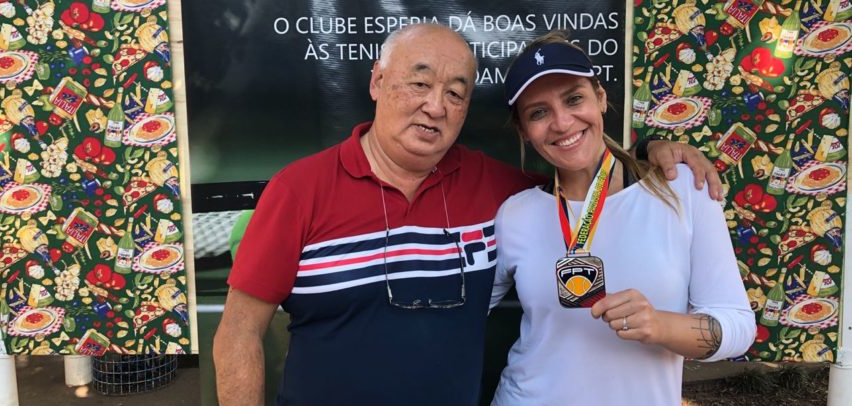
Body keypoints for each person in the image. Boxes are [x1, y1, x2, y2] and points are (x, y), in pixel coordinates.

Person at [213, 23, 722, 406]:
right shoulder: (298, 189)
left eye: (455, 93)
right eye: (419, 84)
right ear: (377, 81)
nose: (436, 106)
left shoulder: (500, 191)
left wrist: (652, 151)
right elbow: (237, 333)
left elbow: (579, 171)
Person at [489, 31, 756, 406]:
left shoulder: (682, 189)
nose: (562, 123)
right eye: (538, 112)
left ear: (600, 98)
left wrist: (660, 324)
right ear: (524, 131)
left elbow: (739, 327)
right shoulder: (515, 214)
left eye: (574, 99)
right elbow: (462, 315)